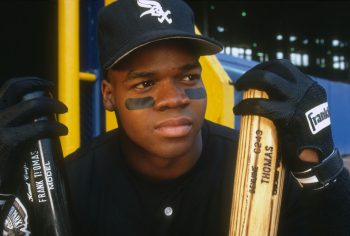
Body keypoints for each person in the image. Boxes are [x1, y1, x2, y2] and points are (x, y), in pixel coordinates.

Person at [0, 0, 349, 235]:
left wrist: (322, 168)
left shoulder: (259, 171)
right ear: (109, 95)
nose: (174, 98)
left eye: (187, 77)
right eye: (145, 82)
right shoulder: (72, 185)